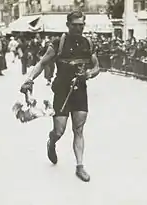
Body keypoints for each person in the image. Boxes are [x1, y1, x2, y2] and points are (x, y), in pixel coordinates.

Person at [20, 10, 100, 182]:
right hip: (62, 91)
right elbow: (42, 63)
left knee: (78, 129)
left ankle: (80, 166)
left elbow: (96, 67)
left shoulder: (88, 43)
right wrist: (29, 79)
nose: (79, 28)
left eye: (81, 25)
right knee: (60, 130)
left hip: (80, 91)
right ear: (68, 25)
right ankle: (52, 141)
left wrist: (89, 74)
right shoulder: (58, 43)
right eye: (75, 25)